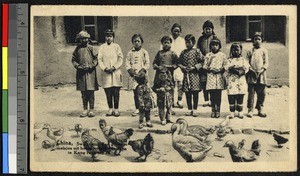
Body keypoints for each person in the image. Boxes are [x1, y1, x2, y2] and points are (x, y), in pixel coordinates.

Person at [72, 30, 99, 118]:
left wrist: (91, 66)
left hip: (90, 73)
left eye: (85, 38)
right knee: (83, 93)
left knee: (91, 92)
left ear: (88, 39)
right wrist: (78, 66)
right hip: (81, 73)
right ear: (79, 40)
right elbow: (73, 60)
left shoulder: (91, 48)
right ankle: (84, 109)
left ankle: (91, 109)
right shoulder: (77, 49)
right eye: (82, 39)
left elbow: (96, 59)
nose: (84, 40)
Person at [98, 29, 123, 117]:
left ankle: (116, 109)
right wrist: (105, 68)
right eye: (107, 36)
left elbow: (120, 58)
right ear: (105, 37)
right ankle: (110, 108)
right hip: (106, 73)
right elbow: (100, 59)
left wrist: (114, 67)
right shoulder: (102, 47)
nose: (109, 38)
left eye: (110, 36)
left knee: (116, 92)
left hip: (115, 72)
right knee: (108, 91)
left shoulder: (116, 46)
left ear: (113, 37)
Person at [178, 34, 204, 117]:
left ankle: (195, 109)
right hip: (186, 75)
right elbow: (179, 62)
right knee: (187, 93)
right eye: (186, 42)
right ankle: (189, 109)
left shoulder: (197, 51)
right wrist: (183, 68)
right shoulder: (183, 52)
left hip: (195, 75)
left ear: (193, 42)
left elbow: (203, 62)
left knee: (195, 92)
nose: (187, 44)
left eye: (189, 42)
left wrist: (195, 67)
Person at [125, 34, 150, 117]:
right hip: (134, 76)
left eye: (138, 41)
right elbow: (127, 63)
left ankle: (145, 107)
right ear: (132, 42)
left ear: (141, 42)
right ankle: (137, 108)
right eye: (135, 41)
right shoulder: (130, 53)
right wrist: (131, 72)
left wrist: (143, 70)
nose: (136, 43)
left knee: (144, 92)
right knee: (136, 92)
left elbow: (147, 63)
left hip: (142, 75)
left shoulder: (144, 52)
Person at [246, 32, 269, 118]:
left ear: (262, 40)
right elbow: (247, 62)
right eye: (255, 39)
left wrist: (262, 70)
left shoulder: (264, 51)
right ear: (252, 40)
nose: (257, 41)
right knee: (251, 93)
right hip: (252, 74)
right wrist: (251, 70)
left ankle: (260, 108)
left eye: (259, 39)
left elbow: (266, 63)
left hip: (261, 75)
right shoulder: (250, 51)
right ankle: (250, 109)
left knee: (261, 93)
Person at [153, 36, 178, 117]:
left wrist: (171, 67)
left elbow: (177, 63)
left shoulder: (173, 54)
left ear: (170, 44)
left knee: (170, 92)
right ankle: (160, 109)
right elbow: (154, 63)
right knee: (160, 92)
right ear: (162, 44)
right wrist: (157, 66)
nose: (166, 44)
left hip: (169, 77)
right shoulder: (159, 53)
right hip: (159, 77)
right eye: (165, 43)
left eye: (168, 42)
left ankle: (169, 110)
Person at [224, 42, 250, 119]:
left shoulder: (243, 60)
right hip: (232, 82)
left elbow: (246, 68)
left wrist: (239, 71)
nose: (235, 51)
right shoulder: (229, 60)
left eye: (237, 50)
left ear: (241, 50)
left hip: (241, 81)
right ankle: (232, 112)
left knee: (240, 96)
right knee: (231, 96)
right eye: (233, 50)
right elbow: (226, 67)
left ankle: (240, 111)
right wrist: (236, 69)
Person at [203, 36, 226, 118]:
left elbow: (225, 66)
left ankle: (218, 110)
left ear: (219, 46)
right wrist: (210, 69)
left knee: (218, 95)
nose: (214, 47)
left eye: (216, 45)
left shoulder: (222, 55)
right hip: (211, 76)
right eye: (213, 45)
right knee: (212, 95)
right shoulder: (208, 55)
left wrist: (219, 70)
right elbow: (205, 66)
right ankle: (213, 110)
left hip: (219, 76)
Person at [197, 20, 216, 107]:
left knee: (211, 82)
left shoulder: (215, 38)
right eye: (206, 29)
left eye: (209, 29)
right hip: (203, 62)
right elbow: (198, 50)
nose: (208, 31)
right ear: (203, 30)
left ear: (212, 29)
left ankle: (212, 100)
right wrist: (202, 57)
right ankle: (206, 99)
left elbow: (218, 49)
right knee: (204, 81)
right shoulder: (201, 39)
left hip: (212, 62)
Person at [169, 23, 186, 108]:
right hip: (170, 65)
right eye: (175, 31)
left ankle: (179, 100)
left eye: (178, 31)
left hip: (179, 65)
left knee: (180, 83)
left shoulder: (182, 41)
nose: (176, 33)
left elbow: (184, 52)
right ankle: (171, 101)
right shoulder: (168, 40)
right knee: (171, 83)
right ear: (171, 31)